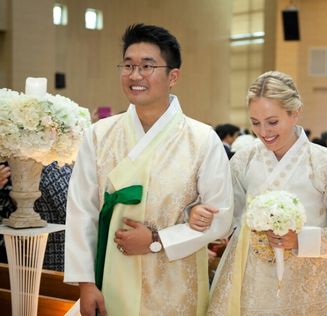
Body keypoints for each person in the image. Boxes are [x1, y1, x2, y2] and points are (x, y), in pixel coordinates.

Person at [64, 23, 233, 316]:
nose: (135, 75)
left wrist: (158, 241)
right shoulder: (99, 135)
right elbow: (82, 211)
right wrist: (86, 283)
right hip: (110, 280)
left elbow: (221, 217)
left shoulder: (202, 139)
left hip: (175, 283)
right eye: (128, 65)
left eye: (147, 66)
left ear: (173, 76)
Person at [189, 71, 327, 315]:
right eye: (255, 123)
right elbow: (226, 217)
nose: (264, 132)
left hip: (312, 282)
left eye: (272, 121)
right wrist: (200, 213)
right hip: (250, 278)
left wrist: (300, 240)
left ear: (295, 112)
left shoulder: (325, 164)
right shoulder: (244, 160)